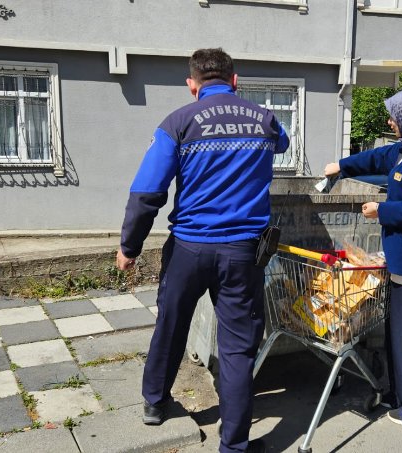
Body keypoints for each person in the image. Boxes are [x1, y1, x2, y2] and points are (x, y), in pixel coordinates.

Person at [116, 48, 289, 453]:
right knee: (237, 348)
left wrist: (130, 245)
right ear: (234, 80)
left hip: (189, 250)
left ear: (192, 85)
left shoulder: (178, 121)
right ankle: (233, 446)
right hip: (242, 253)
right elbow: (281, 144)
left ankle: (155, 403)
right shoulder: (264, 119)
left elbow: (147, 192)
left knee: (171, 325)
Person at [324, 87, 402, 429]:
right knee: (400, 335)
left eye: (395, 114)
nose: (390, 120)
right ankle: (401, 396)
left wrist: (382, 210)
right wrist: (342, 166)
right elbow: (377, 159)